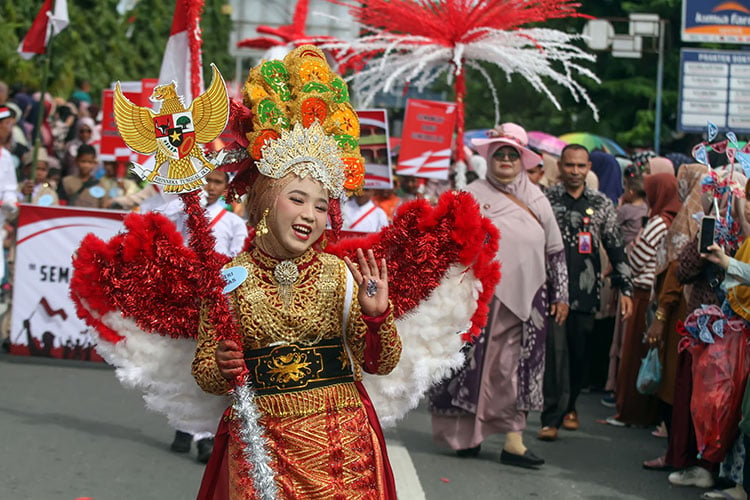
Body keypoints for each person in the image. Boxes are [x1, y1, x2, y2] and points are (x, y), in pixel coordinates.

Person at [192, 46, 402, 499]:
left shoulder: (341, 274)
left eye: (322, 205)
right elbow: (205, 371)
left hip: (343, 449)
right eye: (298, 199)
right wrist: (222, 366)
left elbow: (380, 364)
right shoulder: (230, 277)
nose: (311, 214)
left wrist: (377, 318)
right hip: (259, 443)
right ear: (266, 202)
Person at [431, 122, 568, 466]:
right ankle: (465, 437)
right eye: (500, 153)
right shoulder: (472, 195)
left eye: (512, 154)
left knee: (514, 371)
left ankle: (513, 440)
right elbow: (448, 244)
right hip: (477, 298)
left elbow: (556, 251)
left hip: (528, 302)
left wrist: (561, 295)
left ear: (523, 160)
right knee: (471, 367)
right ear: (489, 157)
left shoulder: (538, 200)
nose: (506, 159)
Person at [542, 144, 633, 436]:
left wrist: (626, 288)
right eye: (570, 165)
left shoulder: (602, 203)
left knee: (580, 353)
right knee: (555, 353)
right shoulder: (547, 200)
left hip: (585, 289)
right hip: (552, 289)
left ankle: (571, 405)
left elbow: (616, 246)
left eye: (581, 166)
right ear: (560, 167)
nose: (575, 172)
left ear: (589, 168)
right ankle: (551, 416)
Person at [607, 173, 680, 427]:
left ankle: (631, 411)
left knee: (635, 354)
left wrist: (629, 251)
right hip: (652, 292)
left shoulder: (659, 222)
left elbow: (637, 259)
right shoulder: (675, 220)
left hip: (643, 293)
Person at [58, 144, 108, 208]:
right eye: (83, 161)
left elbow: (104, 207)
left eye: (90, 162)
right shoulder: (66, 182)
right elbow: (61, 206)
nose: (86, 165)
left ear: (95, 163)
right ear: (76, 161)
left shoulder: (100, 185)